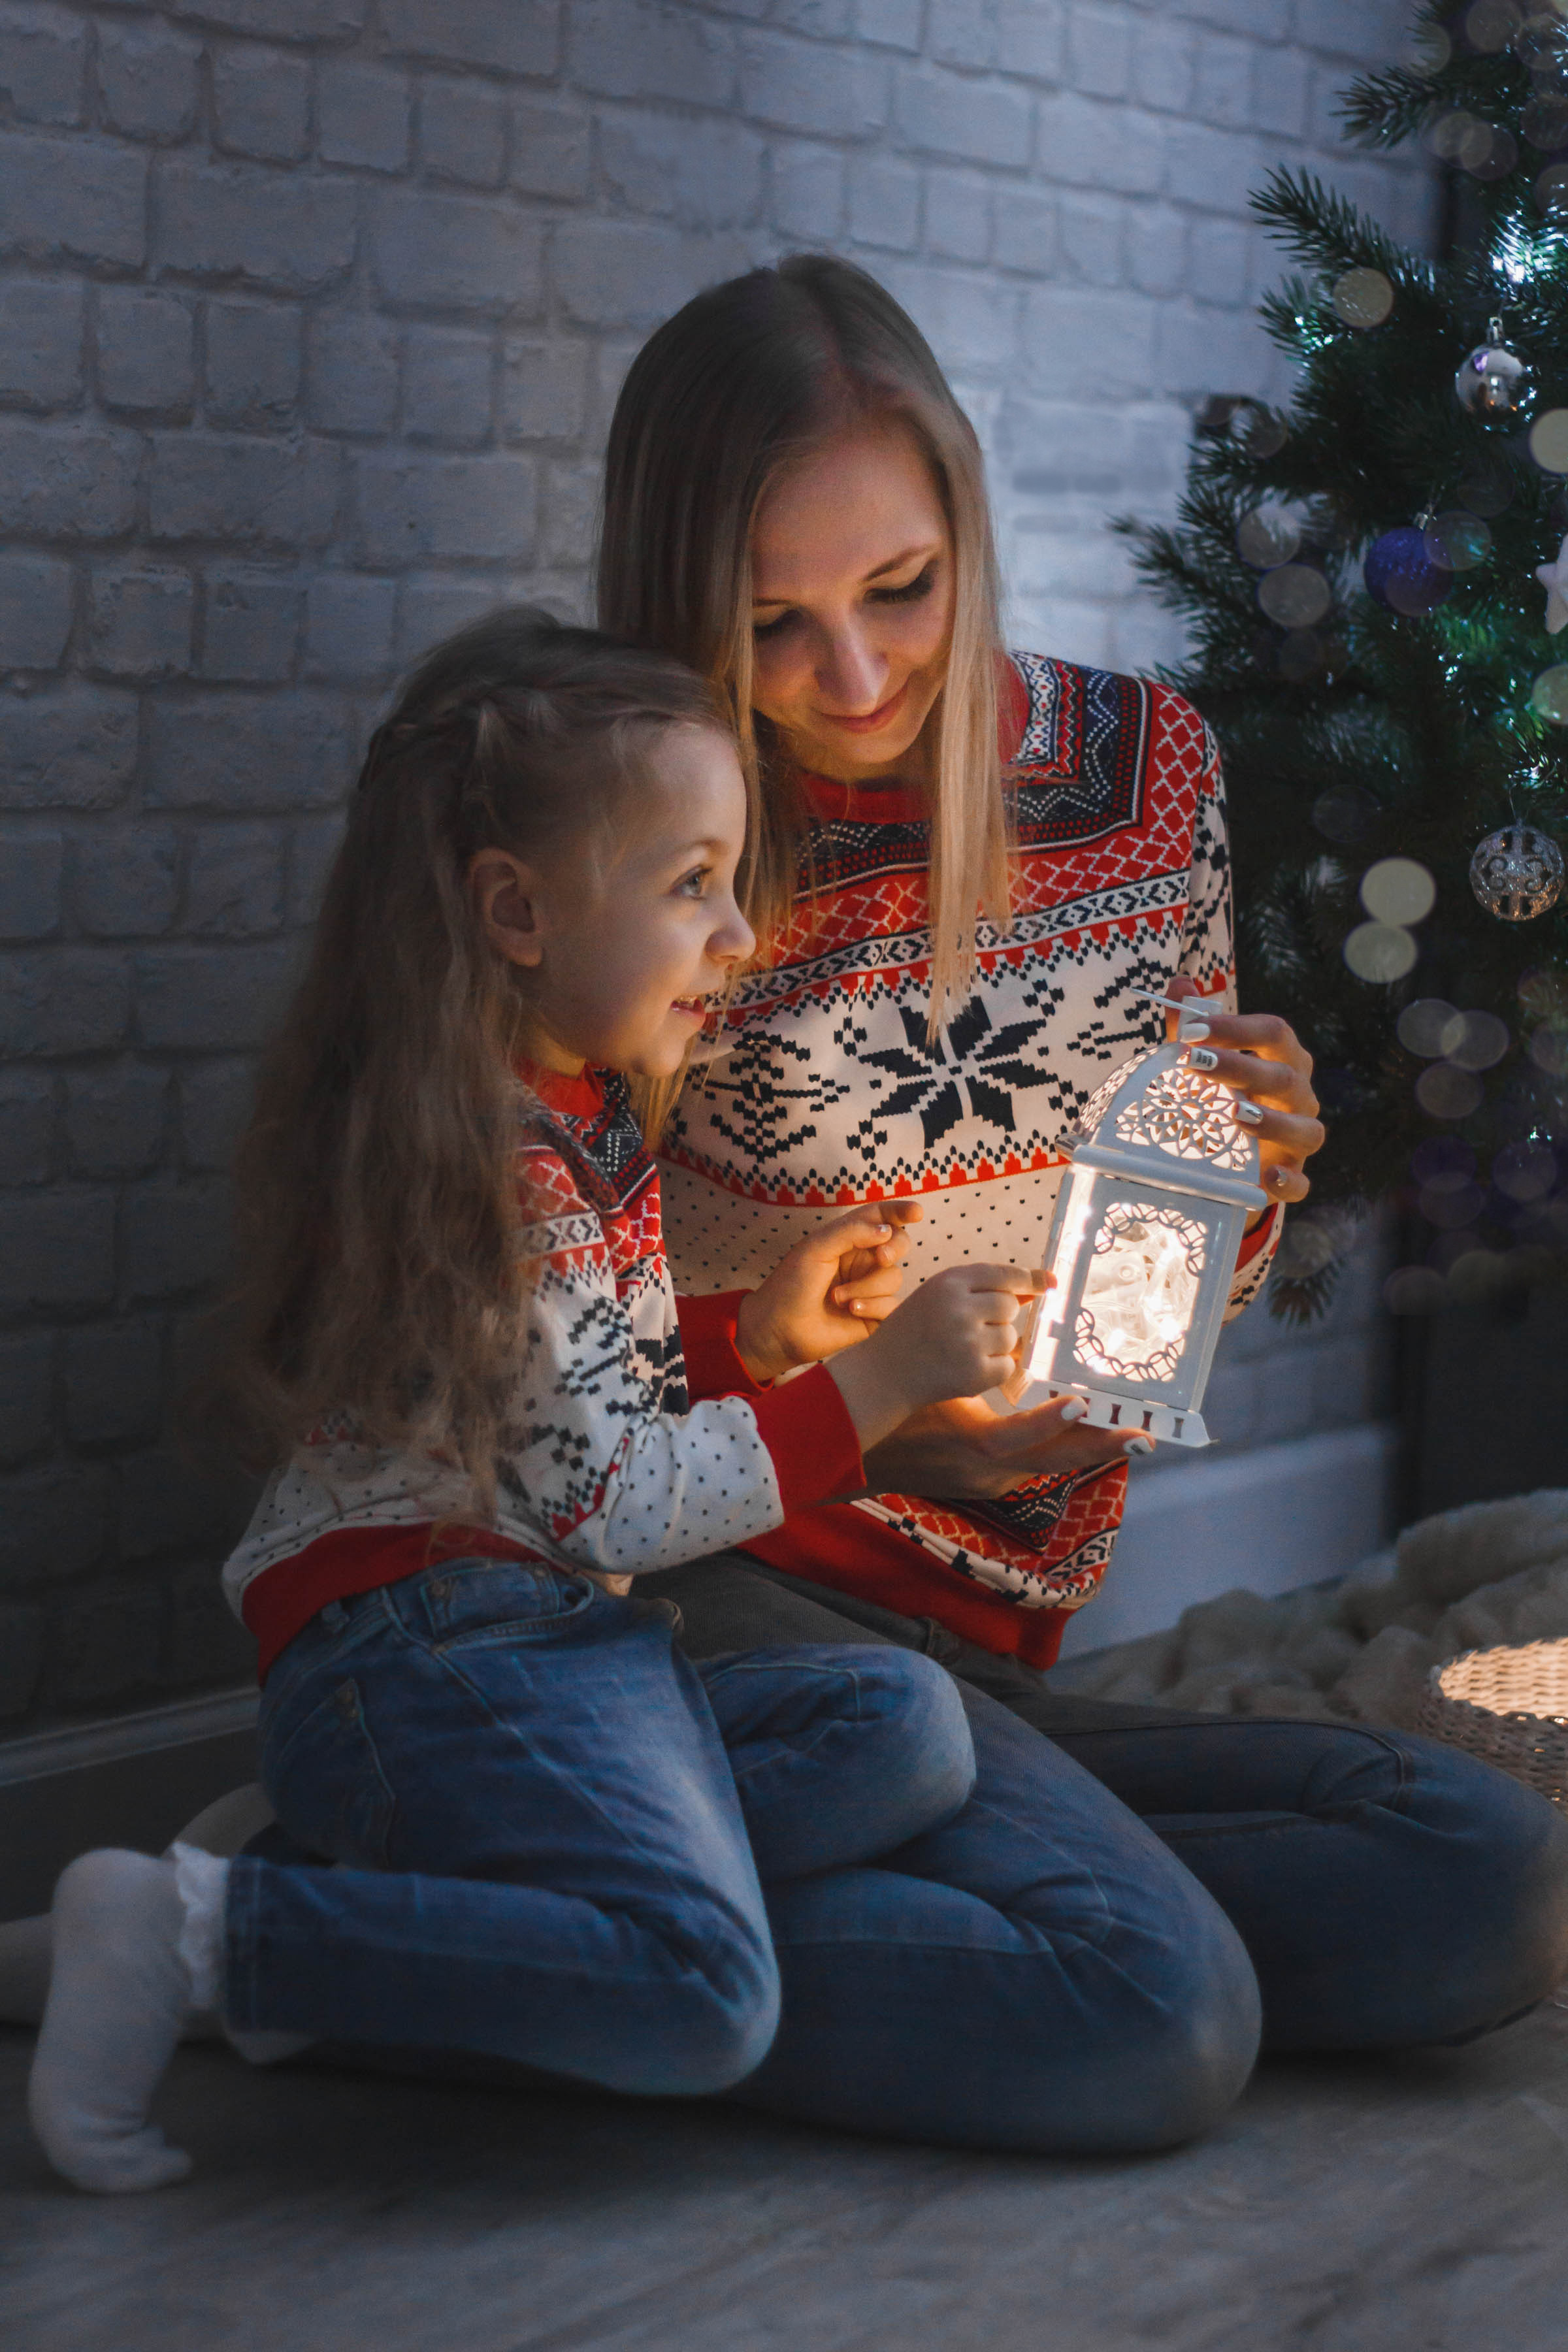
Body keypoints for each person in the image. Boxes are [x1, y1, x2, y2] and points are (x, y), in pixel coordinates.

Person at [595, 253, 1568, 2055]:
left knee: (1488, 1884)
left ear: (967, 527)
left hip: (997, 1641)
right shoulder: (637, 837)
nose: (860, 669)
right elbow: (538, 1336)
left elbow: (1162, 1269)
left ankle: (605, 1902)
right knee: (1158, 2013)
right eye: (774, 622)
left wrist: (1246, 1188)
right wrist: (858, 1391)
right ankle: (484, 1928)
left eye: (903, 589)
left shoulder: (1140, 769)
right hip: (712, 1585)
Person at [27, 610, 1068, 2194]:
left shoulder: (573, 1120)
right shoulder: (510, 1172)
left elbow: (565, 1410)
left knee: (906, 1729)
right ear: (513, 909)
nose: (739, 935)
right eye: (688, 884)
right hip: (431, 1644)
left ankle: (316, 1874)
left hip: (538, 1637)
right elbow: (612, 1502)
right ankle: (189, 1933)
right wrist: (881, 1383)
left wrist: (759, 1342)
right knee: (709, 1994)